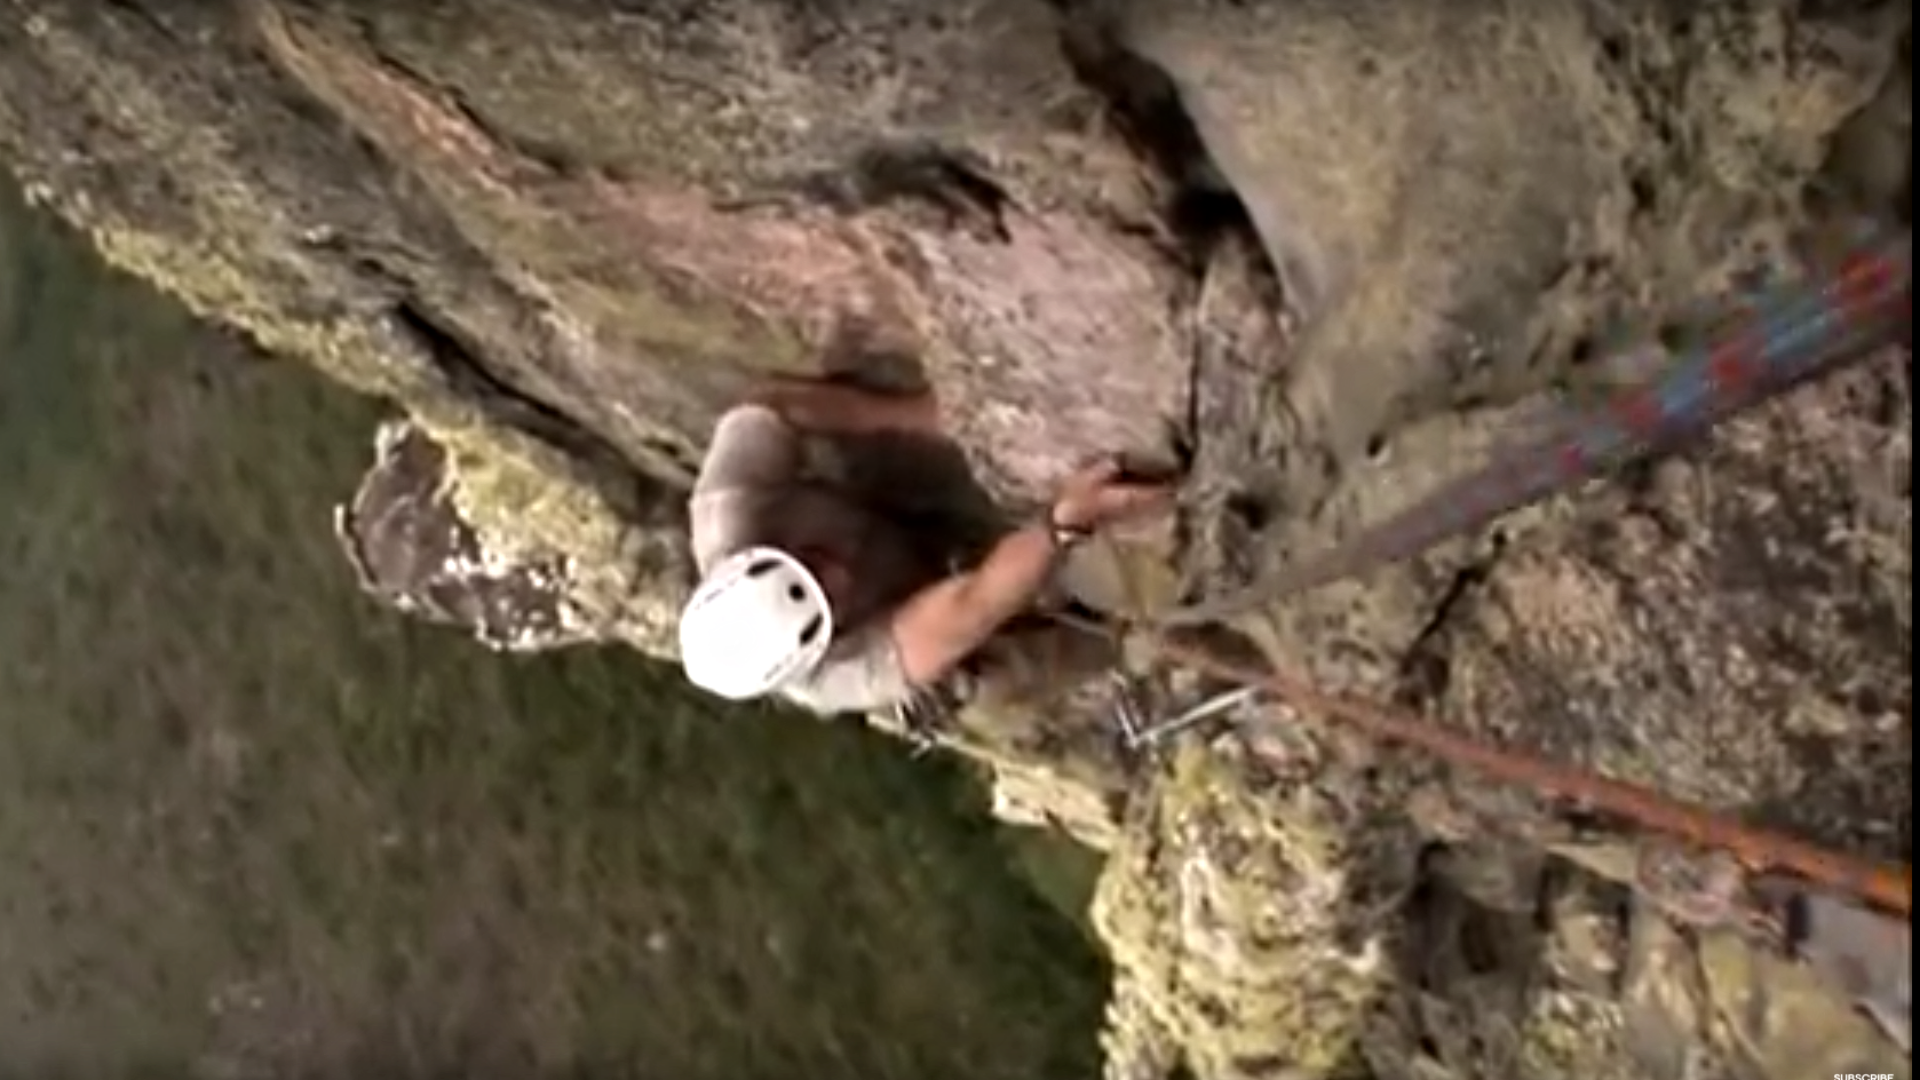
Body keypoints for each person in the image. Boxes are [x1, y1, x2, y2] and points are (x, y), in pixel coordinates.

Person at [676, 374, 1173, 722]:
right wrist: (1067, 523)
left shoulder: (729, 508)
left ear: (752, 555)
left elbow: (769, 409)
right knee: (992, 678)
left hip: (881, 514)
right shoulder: (849, 674)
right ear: (821, 647)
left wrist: (926, 415)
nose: (837, 574)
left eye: (808, 561)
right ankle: (1130, 639)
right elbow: (976, 602)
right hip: (918, 604)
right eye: (829, 600)